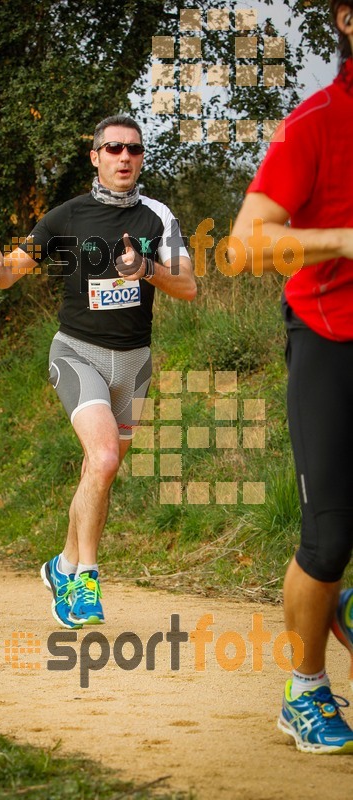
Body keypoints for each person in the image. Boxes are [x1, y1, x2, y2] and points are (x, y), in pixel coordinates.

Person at [0, 115, 196, 629]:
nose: (125, 158)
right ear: (95, 157)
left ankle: (63, 565)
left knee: (99, 470)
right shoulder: (65, 216)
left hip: (135, 363)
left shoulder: (156, 216)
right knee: (101, 460)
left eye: (135, 150)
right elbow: (14, 268)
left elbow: (188, 287)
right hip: (77, 353)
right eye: (114, 148)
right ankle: (85, 581)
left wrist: (145, 270)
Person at [230, 2, 353, 754]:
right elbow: (244, 246)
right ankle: (303, 688)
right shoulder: (312, 122)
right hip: (329, 339)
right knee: (327, 536)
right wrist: (344, 239)